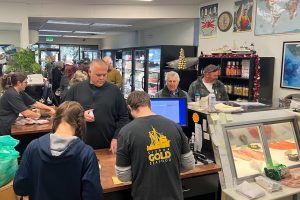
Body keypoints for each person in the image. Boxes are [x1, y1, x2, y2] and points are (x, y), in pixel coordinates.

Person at [13, 101, 103, 200]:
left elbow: (20, 188)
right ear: (81, 122)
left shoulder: (33, 146)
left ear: (56, 119)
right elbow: (93, 196)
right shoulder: (86, 153)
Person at [116, 91, 195, 200]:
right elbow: (189, 164)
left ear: (129, 108)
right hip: (174, 195)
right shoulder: (174, 126)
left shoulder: (126, 132)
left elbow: (123, 177)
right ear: (150, 104)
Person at [63, 59, 129, 153]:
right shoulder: (76, 89)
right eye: (98, 75)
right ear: (89, 72)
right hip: (79, 146)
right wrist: (81, 116)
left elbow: (124, 117)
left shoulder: (114, 91)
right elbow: (64, 113)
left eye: (104, 75)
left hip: (108, 147)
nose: (102, 78)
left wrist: (117, 137)